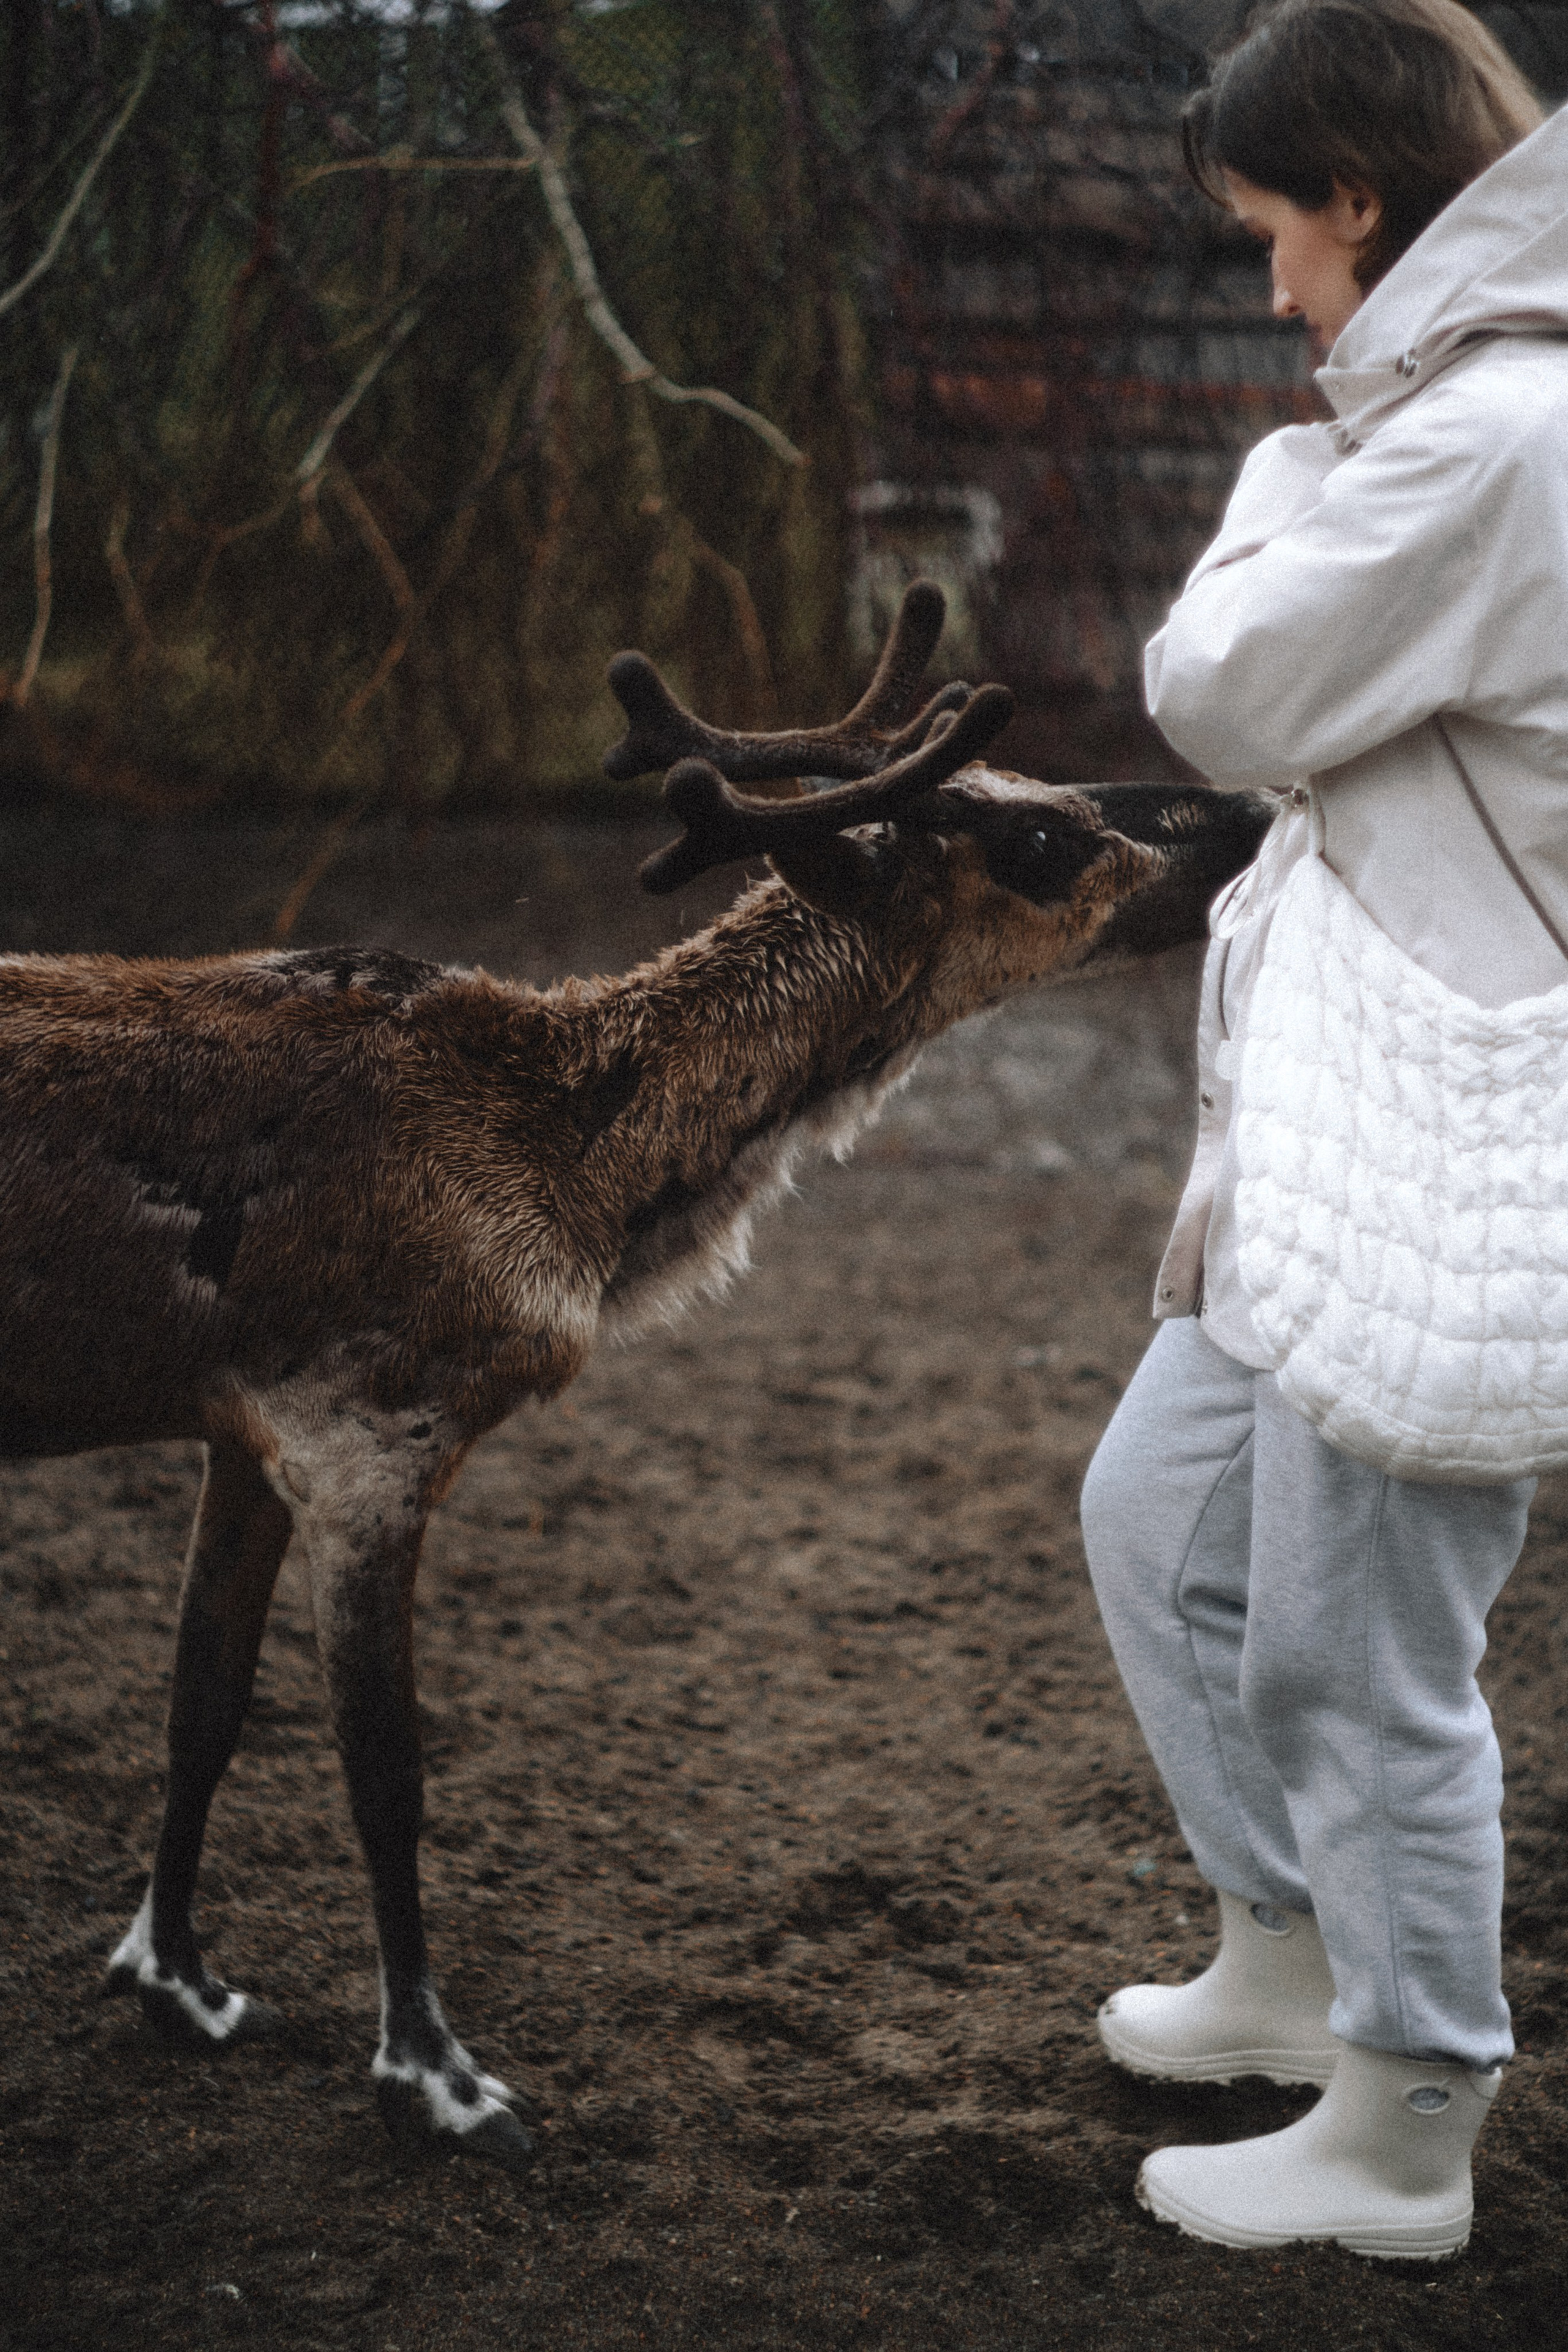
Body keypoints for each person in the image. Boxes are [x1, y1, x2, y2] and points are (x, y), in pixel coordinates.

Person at [1078, 0, 1567, 2258]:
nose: (1274, 291)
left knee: (1357, 1654)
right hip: (1342, 1110)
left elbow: (1219, 690)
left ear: (1363, 197)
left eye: (1276, 232)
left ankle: (1401, 2120)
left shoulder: (1487, 439)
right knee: (1164, 1521)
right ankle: (1288, 1962)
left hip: (1449, 1133)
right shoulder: (1458, 418)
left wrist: (1283, 488)